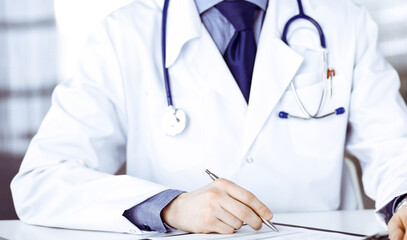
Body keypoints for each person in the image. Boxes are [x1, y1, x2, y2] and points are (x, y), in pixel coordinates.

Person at [10, 0, 407, 239]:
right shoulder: (124, 35)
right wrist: (168, 208)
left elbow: (393, 146)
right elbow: (42, 181)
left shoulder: (344, 22)